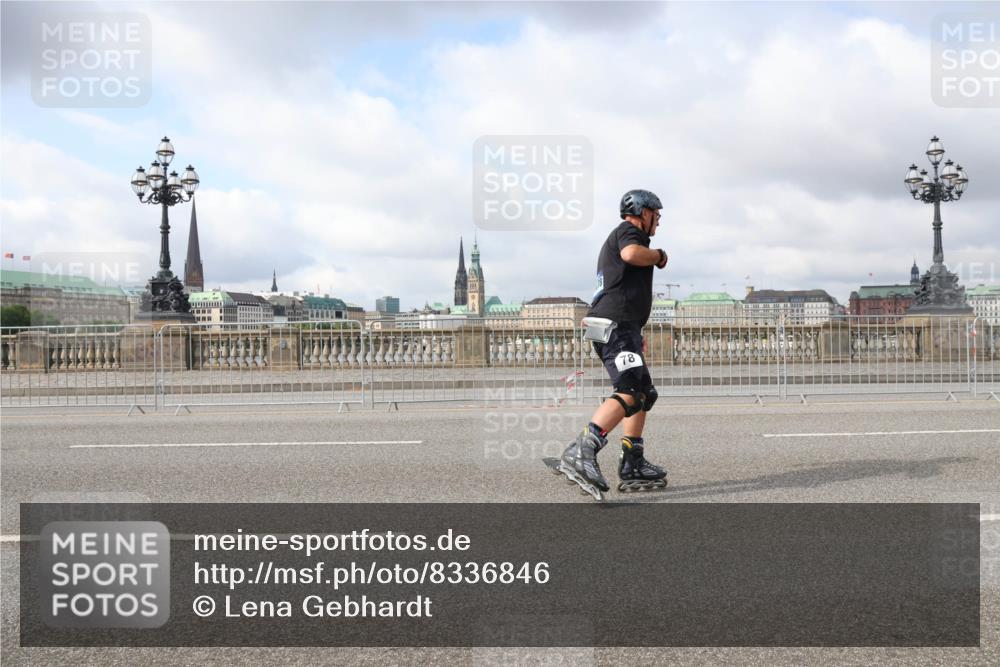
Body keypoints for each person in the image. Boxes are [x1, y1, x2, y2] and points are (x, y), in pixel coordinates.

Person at [558, 189, 669, 499]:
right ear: (642, 212)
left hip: (622, 327)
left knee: (644, 393)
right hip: (615, 326)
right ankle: (582, 450)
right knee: (629, 391)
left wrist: (634, 331)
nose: (659, 220)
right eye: (656, 214)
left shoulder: (628, 235)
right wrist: (659, 256)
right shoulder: (629, 232)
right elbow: (631, 255)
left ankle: (633, 460)